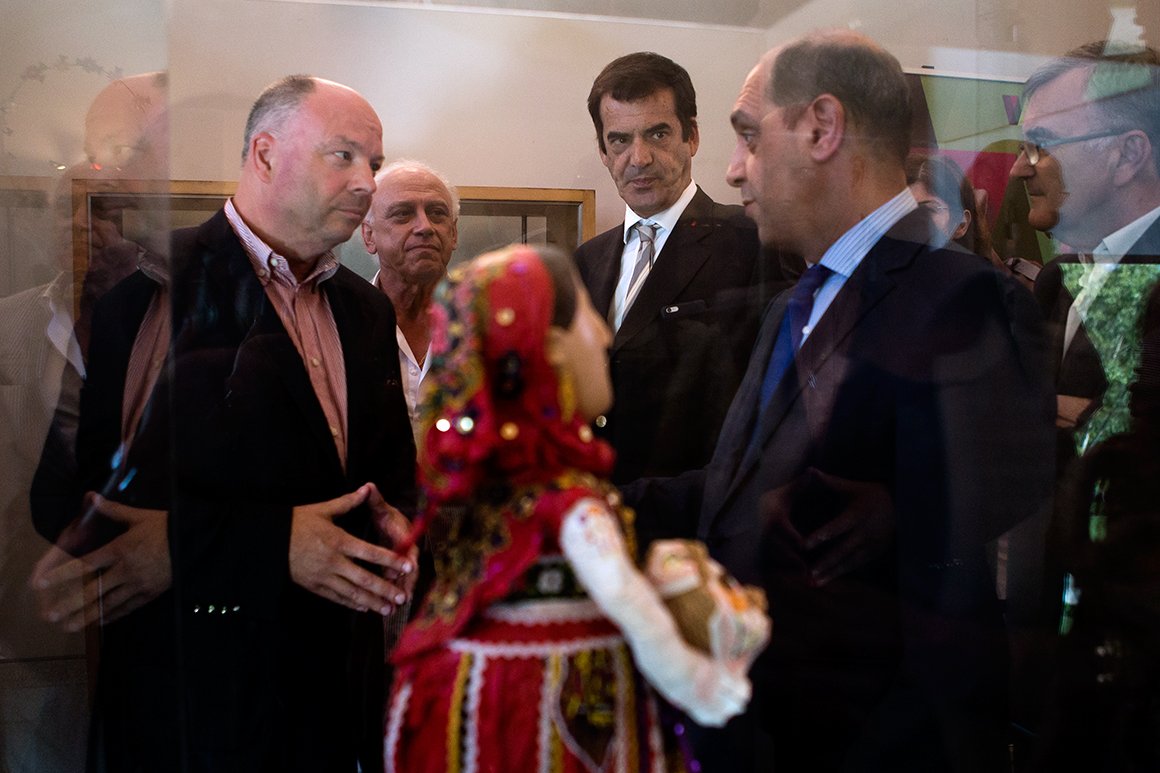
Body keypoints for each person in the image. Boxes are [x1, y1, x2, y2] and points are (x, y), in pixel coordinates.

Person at [626, 30, 1055, 771]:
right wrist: (583, 508)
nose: (732, 169)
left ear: (823, 128)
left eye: (749, 138)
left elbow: (992, 492)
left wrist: (899, 509)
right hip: (770, 721)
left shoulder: (963, 299)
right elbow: (741, 491)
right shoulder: (790, 304)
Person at [30, 74, 416, 772]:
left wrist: (403, 537)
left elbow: (391, 485)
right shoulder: (145, 291)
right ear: (265, 155)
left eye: (374, 163)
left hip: (334, 708)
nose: (367, 182)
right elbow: (63, 501)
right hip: (190, 710)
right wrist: (265, 544)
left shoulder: (365, 311)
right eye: (344, 156)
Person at [384, 244, 768, 773]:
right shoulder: (569, 504)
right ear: (551, 348)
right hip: (548, 703)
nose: (605, 336)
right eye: (590, 316)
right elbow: (627, 602)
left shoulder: (493, 494)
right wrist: (699, 684)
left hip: (476, 692)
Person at [575, 51, 776, 497]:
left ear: (692, 137)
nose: (639, 158)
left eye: (658, 134)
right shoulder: (586, 261)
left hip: (702, 513)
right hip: (598, 517)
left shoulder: (752, 242)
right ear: (603, 152)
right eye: (620, 140)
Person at [361, 159, 458, 440]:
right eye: (402, 214)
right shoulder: (341, 325)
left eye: (437, 213)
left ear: (454, 233)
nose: (425, 227)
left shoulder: (487, 323)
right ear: (369, 236)